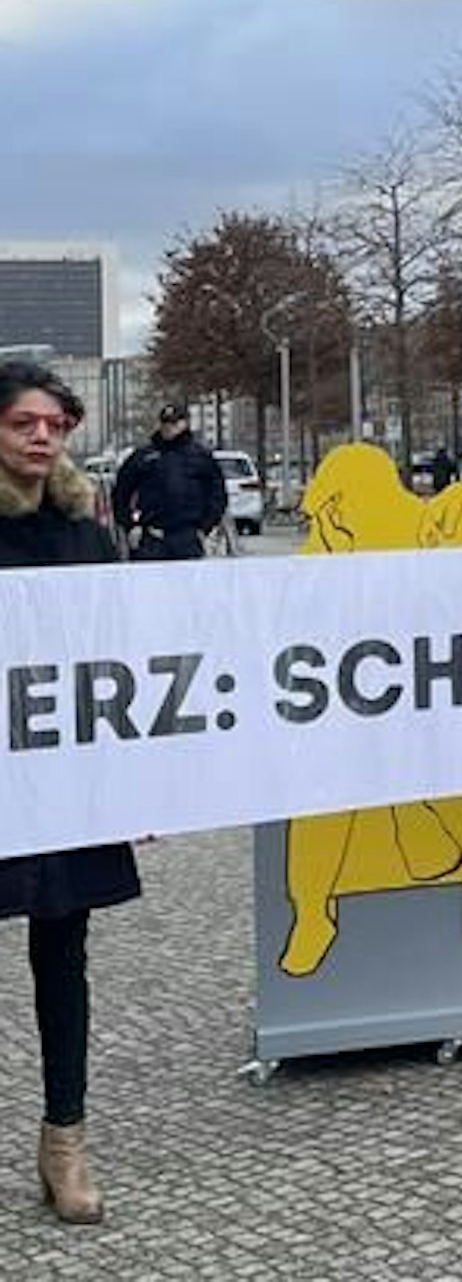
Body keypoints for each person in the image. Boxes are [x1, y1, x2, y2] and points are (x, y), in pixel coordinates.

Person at [0, 360, 141, 1224]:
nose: (42, 435)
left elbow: (114, 659)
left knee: (64, 956)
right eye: (24, 422)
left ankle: (65, 1143)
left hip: (58, 779)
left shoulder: (82, 524)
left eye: (54, 422)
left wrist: (132, 779)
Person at [110, 400, 226, 560]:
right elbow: (121, 492)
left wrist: (204, 528)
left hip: (187, 538)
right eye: (165, 423)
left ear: (185, 423)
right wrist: (130, 526)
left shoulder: (201, 457)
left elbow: (217, 495)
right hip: (151, 538)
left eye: (174, 423)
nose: (168, 428)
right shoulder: (143, 456)